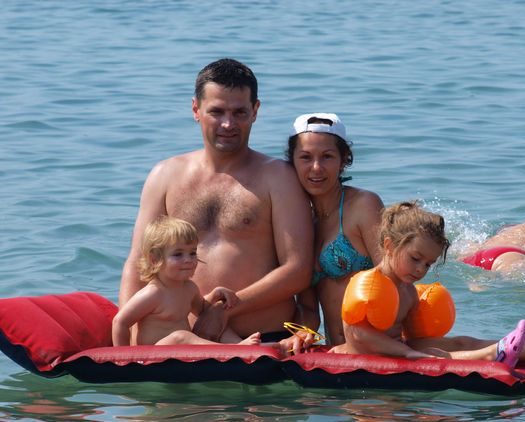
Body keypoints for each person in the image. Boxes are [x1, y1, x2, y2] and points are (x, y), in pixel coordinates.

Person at [119, 58, 315, 353]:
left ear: (255, 111)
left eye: (239, 112)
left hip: (260, 341)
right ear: (196, 109)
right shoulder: (165, 175)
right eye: (217, 111)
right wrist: (129, 343)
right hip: (179, 343)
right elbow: (138, 262)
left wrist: (224, 310)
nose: (228, 124)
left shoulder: (279, 178)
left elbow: (298, 269)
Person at [331, 201, 525, 373]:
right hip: (369, 356)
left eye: (428, 264)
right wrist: (407, 353)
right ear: (389, 245)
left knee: (462, 341)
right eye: (415, 258)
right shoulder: (367, 284)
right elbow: (359, 335)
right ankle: (493, 354)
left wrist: (413, 348)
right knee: (435, 352)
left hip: (397, 350)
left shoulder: (407, 290)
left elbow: (414, 338)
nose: (420, 269)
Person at [286, 113, 385, 345]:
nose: (316, 167)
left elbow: (394, 280)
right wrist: (301, 333)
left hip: (379, 348)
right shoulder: (300, 222)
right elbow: (309, 307)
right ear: (292, 162)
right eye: (306, 157)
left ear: (343, 160)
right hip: (336, 352)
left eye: (327, 157)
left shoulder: (363, 205)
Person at [112, 216, 261, 347]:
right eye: (178, 254)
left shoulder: (189, 288)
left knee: (216, 316)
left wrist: (215, 295)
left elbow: (202, 310)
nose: (188, 260)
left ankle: (240, 346)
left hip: (182, 351)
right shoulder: (153, 293)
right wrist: (123, 358)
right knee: (181, 336)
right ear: (155, 259)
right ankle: (231, 351)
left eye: (192, 253)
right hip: (154, 355)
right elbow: (120, 322)